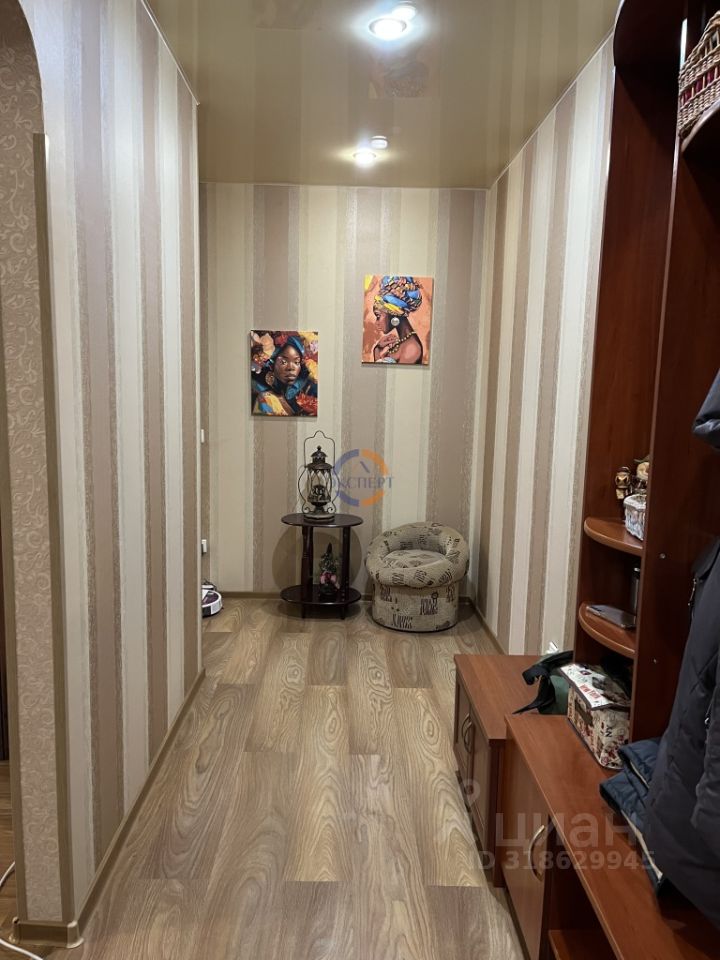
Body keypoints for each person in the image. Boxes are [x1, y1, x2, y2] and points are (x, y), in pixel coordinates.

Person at [252, 334, 317, 416]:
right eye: (284, 362)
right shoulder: (265, 398)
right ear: (272, 366)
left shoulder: (308, 390)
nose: (291, 368)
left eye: (296, 362)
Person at [371, 276, 424, 364]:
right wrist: (377, 349)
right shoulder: (402, 342)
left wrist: (379, 355)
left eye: (378, 316)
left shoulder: (412, 348)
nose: (376, 323)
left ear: (394, 314)